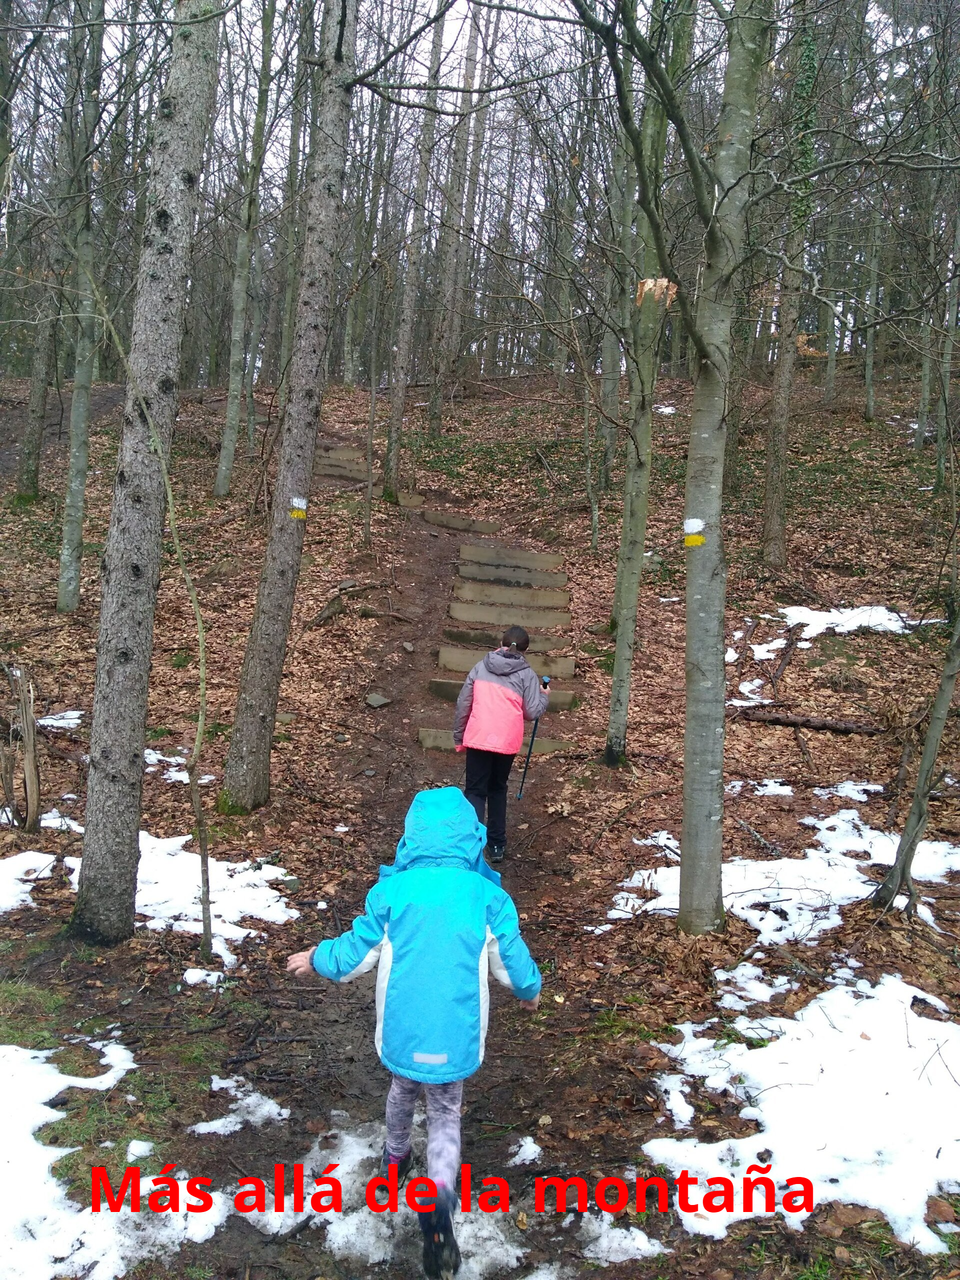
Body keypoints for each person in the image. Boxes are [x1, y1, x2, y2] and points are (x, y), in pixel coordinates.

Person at [286, 786, 541, 1280]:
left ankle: (395, 1159)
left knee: (402, 1088)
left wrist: (317, 957)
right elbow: (510, 960)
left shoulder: (391, 895)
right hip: (456, 1035)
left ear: (411, 839)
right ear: (472, 838)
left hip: (403, 1029)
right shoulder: (488, 897)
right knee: (446, 1109)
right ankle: (439, 1201)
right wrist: (529, 990)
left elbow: (356, 954)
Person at [452, 625, 549, 862]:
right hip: (506, 741)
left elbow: (464, 703)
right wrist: (544, 696)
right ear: (526, 649)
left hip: (478, 736)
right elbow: (532, 711)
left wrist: (459, 735)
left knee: (475, 790)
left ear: (501, 642)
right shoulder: (527, 675)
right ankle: (496, 845)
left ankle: (470, 844)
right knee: (497, 789)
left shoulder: (480, 666)